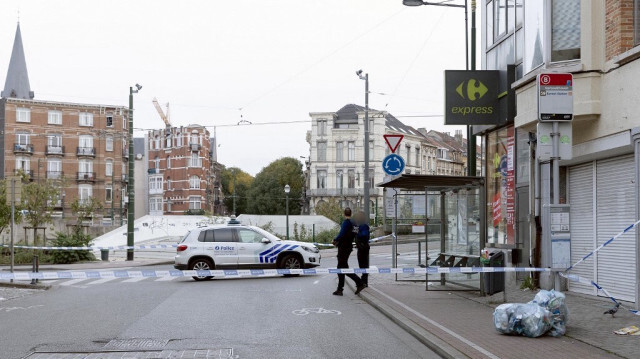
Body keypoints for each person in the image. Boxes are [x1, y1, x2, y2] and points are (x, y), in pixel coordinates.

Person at [332, 207, 365, 296]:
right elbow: (356, 233)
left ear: (344, 214)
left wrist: (335, 240)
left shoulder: (346, 223)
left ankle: (359, 283)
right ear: (351, 213)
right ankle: (340, 289)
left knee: (342, 268)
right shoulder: (354, 224)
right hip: (349, 246)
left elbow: (342, 234)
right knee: (342, 267)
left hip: (343, 247)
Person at [354, 211, 370, 287]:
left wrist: (357, 232)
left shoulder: (364, 226)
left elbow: (364, 235)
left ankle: (364, 281)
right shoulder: (359, 226)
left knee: (364, 264)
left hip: (363, 247)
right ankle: (363, 280)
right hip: (361, 247)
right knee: (361, 264)